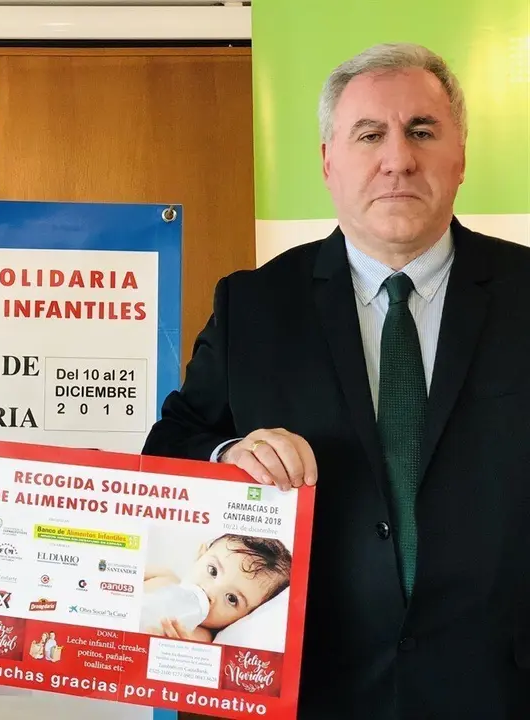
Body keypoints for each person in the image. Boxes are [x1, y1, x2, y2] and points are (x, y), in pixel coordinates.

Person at [142, 42, 530, 719]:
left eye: (422, 131)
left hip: (499, 688)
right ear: (328, 161)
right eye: (370, 135)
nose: (398, 159)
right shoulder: (254, 305)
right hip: (309, 691)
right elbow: (170, 446)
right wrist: (229, 455)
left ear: (461, 156)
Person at [142, 534, 291, 642]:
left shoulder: (199, 634)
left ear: (245, 617)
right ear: (200, 555)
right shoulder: (163, 575)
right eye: (212, 571)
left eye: (231, 599)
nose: (209, 592)